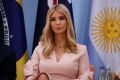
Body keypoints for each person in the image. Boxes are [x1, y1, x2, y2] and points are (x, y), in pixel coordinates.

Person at [24, 4, 93, 80]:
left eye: (61, 18)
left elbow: (85, 77)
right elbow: (32, 75)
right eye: (53, 19)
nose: (57, 23)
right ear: (49, 24)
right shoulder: (39, 49)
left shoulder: (81, 50)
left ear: (68, 21)